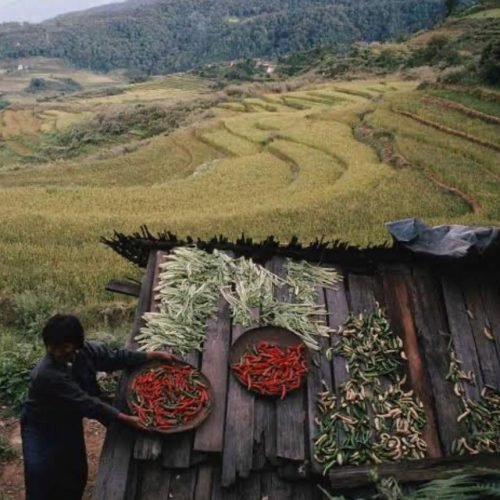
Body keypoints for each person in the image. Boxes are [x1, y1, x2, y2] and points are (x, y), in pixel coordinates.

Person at [20, 313, 172, 500]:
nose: (57, 352)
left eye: (63, 347)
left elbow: (114, 357)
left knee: (75, 470)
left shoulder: (86, 351)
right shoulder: (46, 374)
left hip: (68, 420)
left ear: (76, 344)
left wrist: (151, 355)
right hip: (40, 425)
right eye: (52, 347)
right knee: (39, 471)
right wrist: (125, 419)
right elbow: (86, 403)